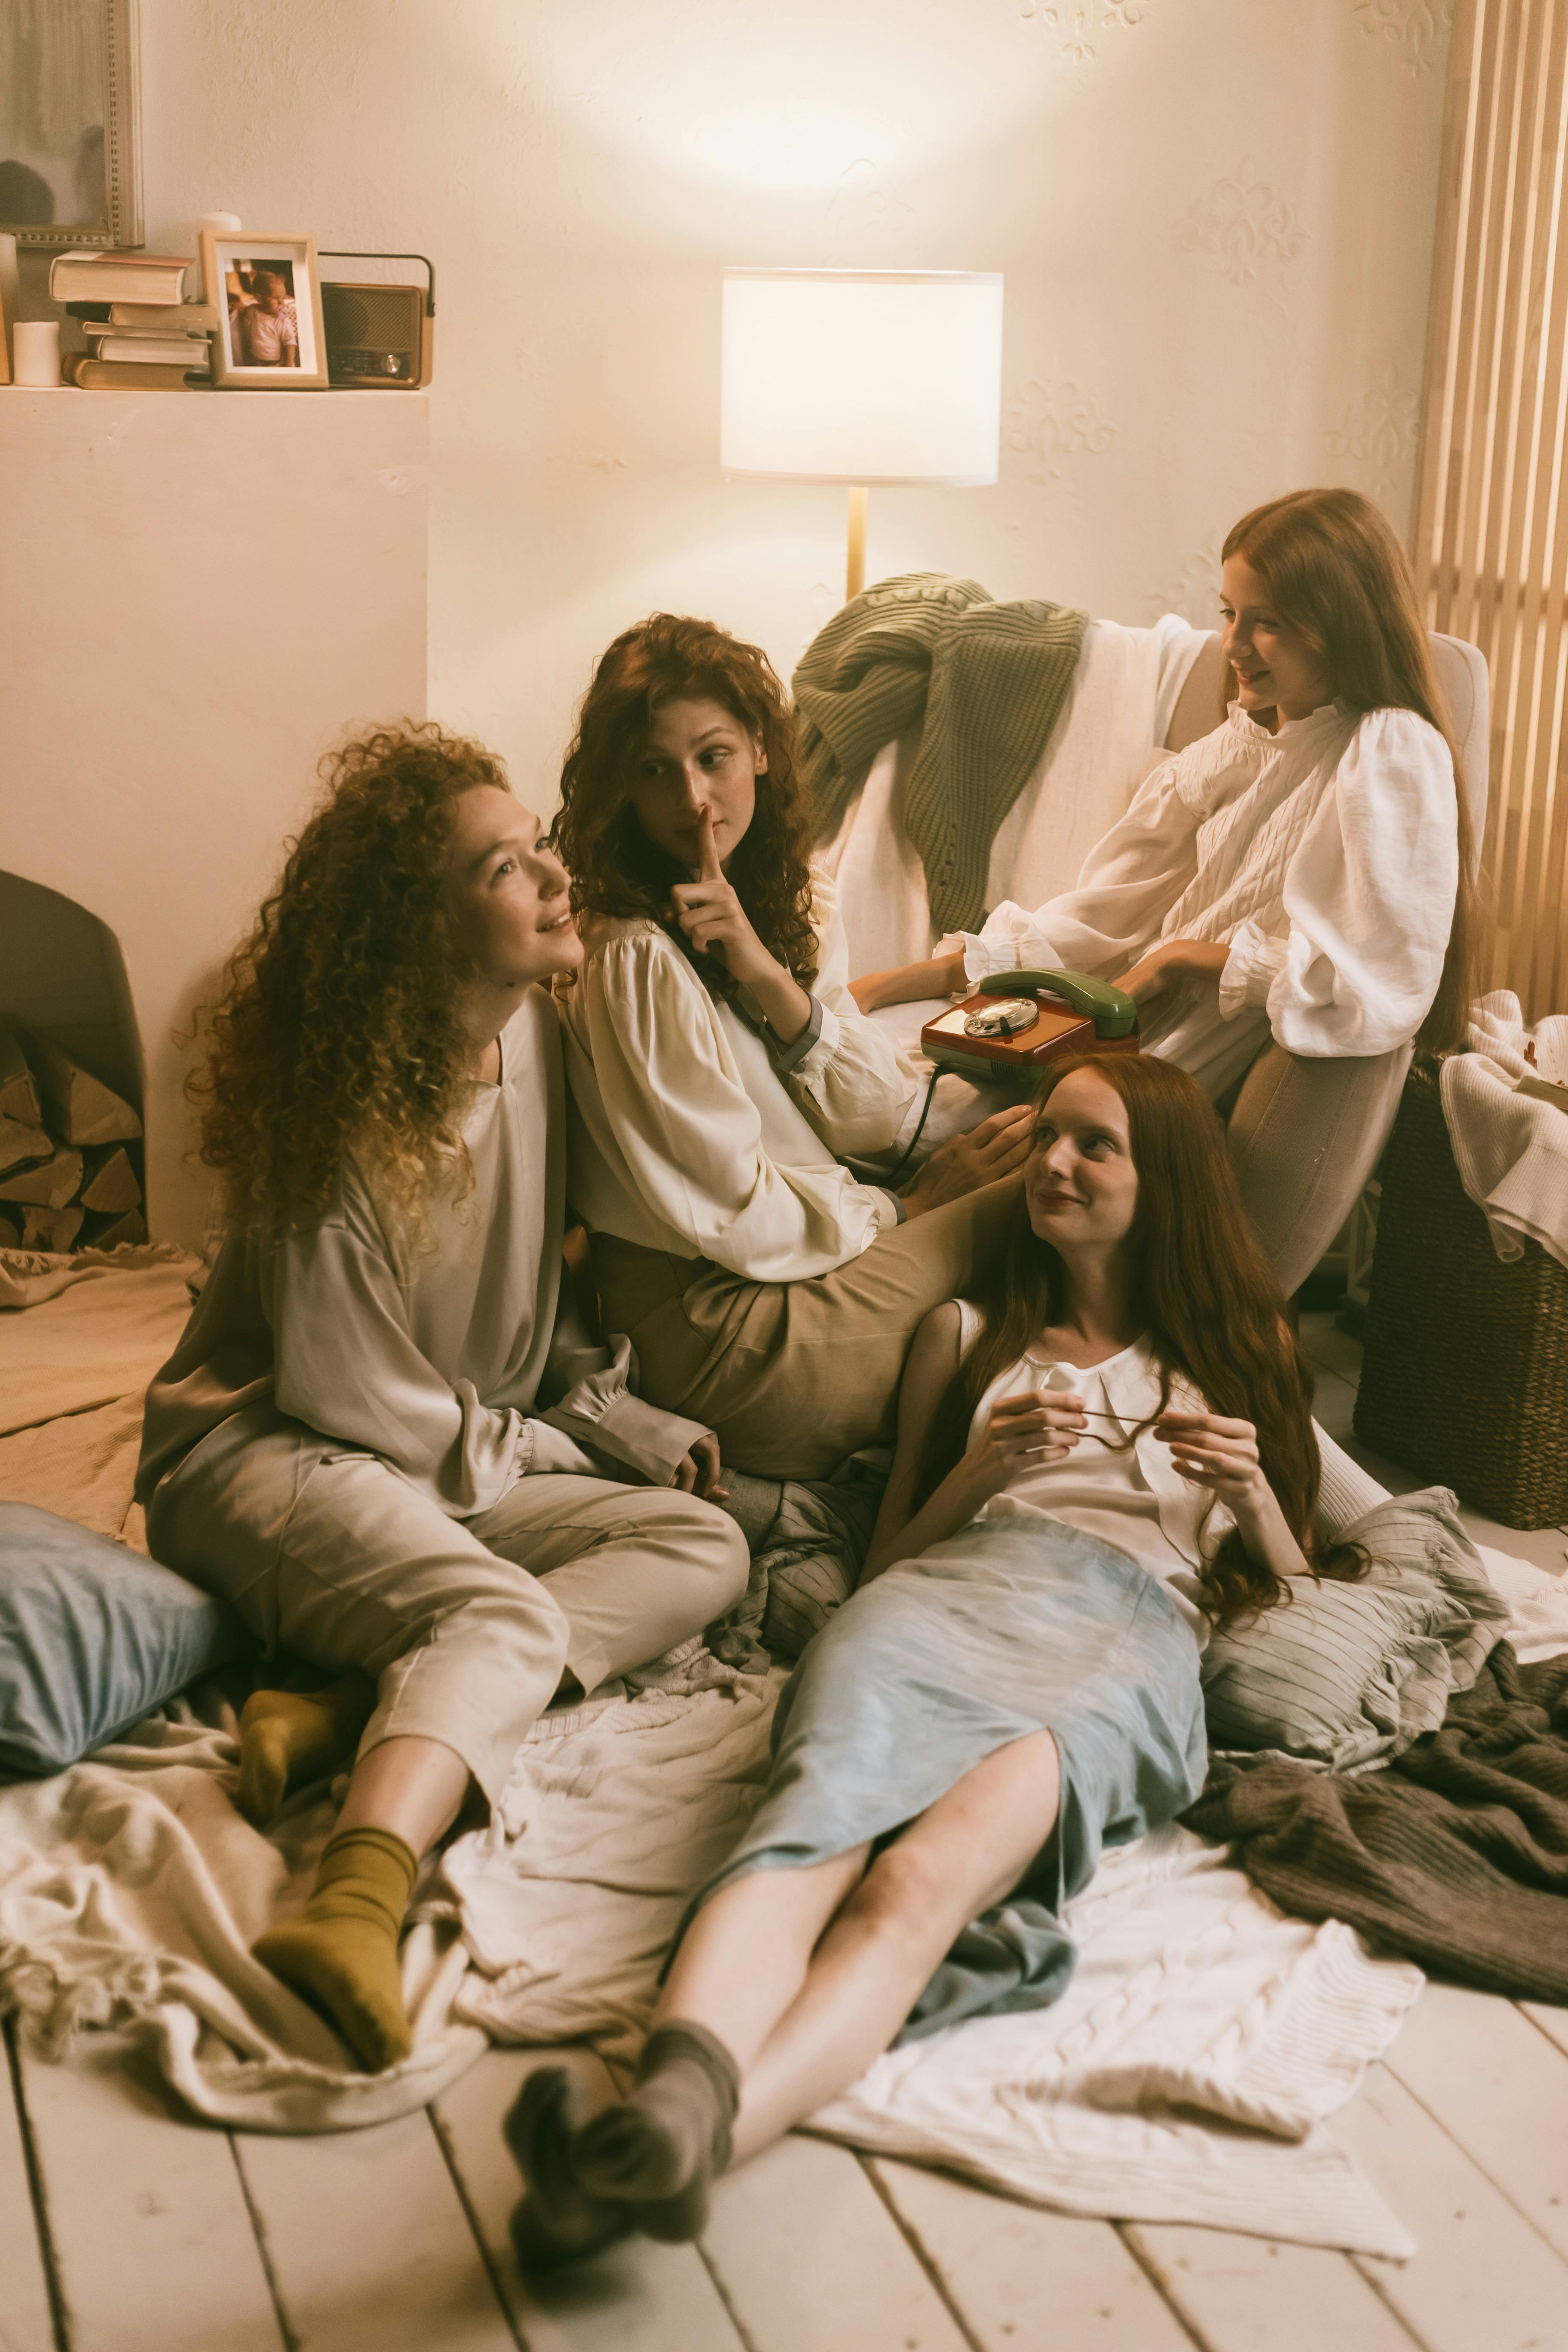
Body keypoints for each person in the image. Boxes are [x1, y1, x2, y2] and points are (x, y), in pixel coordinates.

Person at [505, 1050, 1370, 2261]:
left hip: (1118, 1637)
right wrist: (983, 1469)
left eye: (1095, 1144)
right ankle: (670, 2123)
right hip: (934, 1604)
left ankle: (672, 2139)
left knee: (919, 1883)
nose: (1053, 1162)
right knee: (807, 1828)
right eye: (1048, 1134)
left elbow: (1301, 1594)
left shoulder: (1240, 1351)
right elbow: (886, 1565)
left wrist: (1256, 1495)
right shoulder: (964, 1333)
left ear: (1165, 1180)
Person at [135, 724, 748, 2072]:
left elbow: (539, 1311)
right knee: (497, 1612)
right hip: (269, 1450)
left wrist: (611, 1420)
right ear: (423, 930)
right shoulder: (340, 1123)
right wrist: (547, 1449)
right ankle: (353, 1904)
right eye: (504, 869)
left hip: (437, 1454)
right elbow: (352, 1397)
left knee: (704, 1547)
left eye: (540, 847)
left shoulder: (541, 1041)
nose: (555, 878)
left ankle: (350, 1710)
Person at [848, 490, 1476, 1272]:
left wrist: (1183, 960)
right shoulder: (1241, 745)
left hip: (1148, 1077)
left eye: (1267, 622)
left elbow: (1374, 986)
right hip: (1088, 1042)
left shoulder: (1389, 748)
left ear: (1339, 623)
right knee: (843, 1067)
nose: (1233, 645)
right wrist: (900, 981)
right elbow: (1104, 912)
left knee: (868, 1113)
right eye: (1229, 613)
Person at [551, 614, 1034, 1480]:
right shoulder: (631, 956)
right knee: (1072, 1181)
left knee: (1083, 1161)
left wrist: (765, 975)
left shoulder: (786, 897)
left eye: (713, 757)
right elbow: (731, 1208)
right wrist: (905, 1208)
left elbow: (872, 1117)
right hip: (725, 1325)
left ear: (762, 750)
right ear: (622, 787)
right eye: (655, 770)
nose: (694, 799)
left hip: (798, 1258)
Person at [236, 269, 299, 367]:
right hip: (256, 360)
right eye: (276, 298)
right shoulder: (253, 310)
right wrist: (238, 306)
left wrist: (288, 367)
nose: (281, 303)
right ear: (259, 299)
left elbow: (290, 344)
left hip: (277, 363)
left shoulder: (282, 318)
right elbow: (243, 308)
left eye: (283, 298)